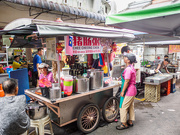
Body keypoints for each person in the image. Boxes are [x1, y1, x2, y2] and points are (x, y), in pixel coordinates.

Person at [116, 53, 137, 130]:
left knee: (123, 107)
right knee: (131, 106)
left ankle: (124, 123)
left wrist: (122, 91)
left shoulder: (128, 69)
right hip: (133, 89)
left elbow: (127, 81)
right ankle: (130, 121)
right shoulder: (131, 67)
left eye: (125, 57)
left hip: (129, 90)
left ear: (128, 60)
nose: (124, 58)